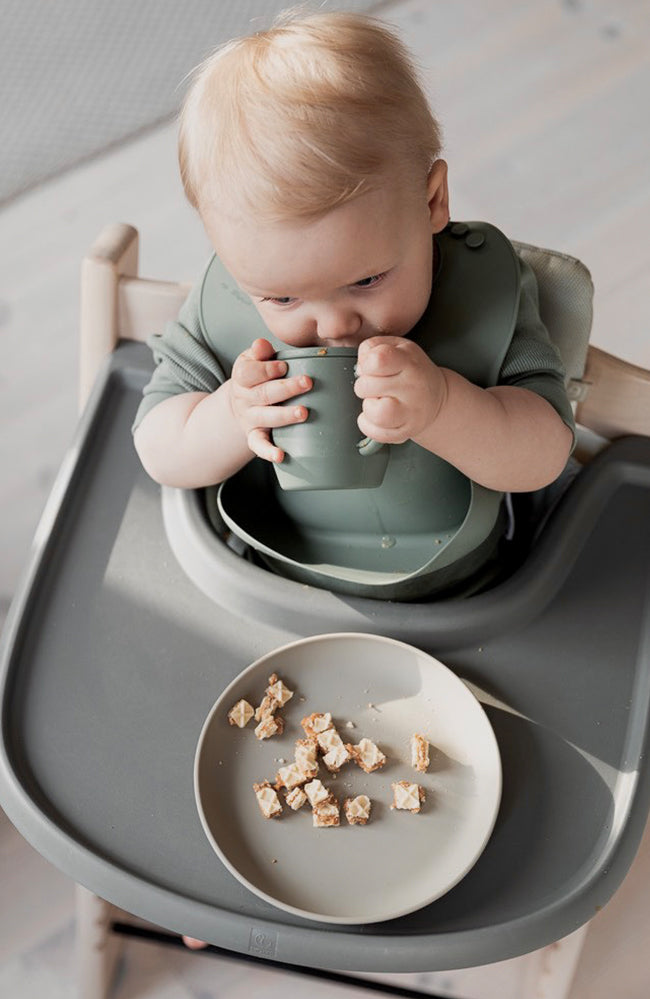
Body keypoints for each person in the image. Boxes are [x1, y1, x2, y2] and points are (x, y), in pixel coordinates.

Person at [133, 9, 575, 599]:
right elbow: (159, 449)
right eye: (282, 296)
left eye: (367, 280)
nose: (335, 325)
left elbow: (543, 454)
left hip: (462, 596)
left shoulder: (484, 292)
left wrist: (443, 407)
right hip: (271, 586)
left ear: (432, 202)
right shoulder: (228, 300)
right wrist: (232, 416)